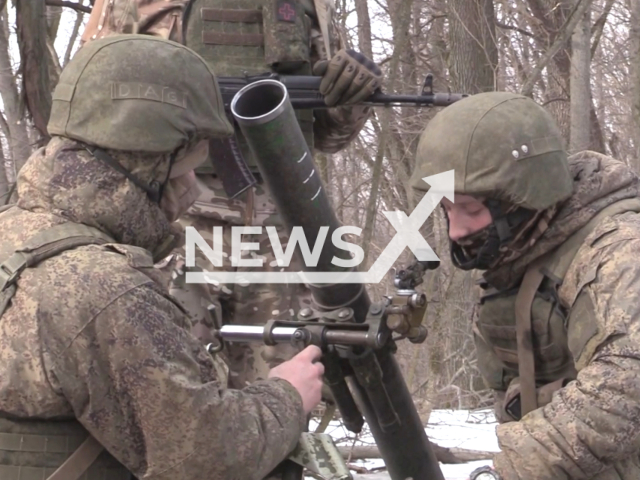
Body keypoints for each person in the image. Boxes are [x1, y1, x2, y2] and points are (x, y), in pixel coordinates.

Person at [0, 34, 324, 480]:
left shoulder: (13, 234)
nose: (198, 187)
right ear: (153, 160)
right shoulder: (106, 291)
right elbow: (205, 457)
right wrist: (288, 394)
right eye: (189, 164)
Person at [79, 0, 382, 389]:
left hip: (281, 236)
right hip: (175, 227)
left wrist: (352, 96)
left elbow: (326, 134)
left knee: (284, 398)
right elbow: (93, 108)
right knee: (169, 389)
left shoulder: (305, 7)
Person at [410, 91, 640, 480]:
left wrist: (513, 469)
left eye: (470, 208)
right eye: (446, 208)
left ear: (524, 197)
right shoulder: (521, 250)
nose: (457, 229)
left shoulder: (619, 251)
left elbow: (625, 385)